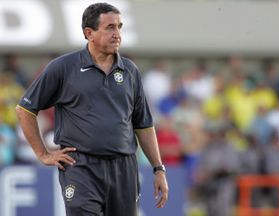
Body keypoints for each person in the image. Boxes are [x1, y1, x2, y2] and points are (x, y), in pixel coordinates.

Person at [15, 3, 168, 216]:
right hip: (81, 167)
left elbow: (143, 124)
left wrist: (158, 168)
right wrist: (43, 153)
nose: (117, 34)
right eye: (110, 27)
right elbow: (25, 109)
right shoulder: (63, 67)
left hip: (124, 167)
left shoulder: (130, 71)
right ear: (89, 33)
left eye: (119, 27)